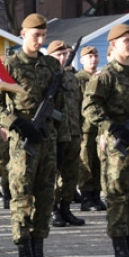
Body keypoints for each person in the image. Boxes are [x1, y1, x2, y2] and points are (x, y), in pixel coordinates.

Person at [0, 13, 63, 257]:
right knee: (21, 197)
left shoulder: (52, 65)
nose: (40, 40)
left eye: (43, 36)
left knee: (45, 196)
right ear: (23, 35)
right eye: (35, 36)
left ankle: (39, 252)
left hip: (47, 139)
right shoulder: (9, 65)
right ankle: (24, 256)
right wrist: (15, 122)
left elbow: (61, 103)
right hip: (23, 141)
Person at [83, 24, 129, 257]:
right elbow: (90, 107)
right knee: (117, 196)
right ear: (113, 45)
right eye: (125, 40)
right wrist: (110, 127)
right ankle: (120, 246)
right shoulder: (105, 75)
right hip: (118, 147)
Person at [48, 40, 86, 228]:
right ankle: (53, 209)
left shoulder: (72, 78)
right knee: (53, 173)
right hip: (55, 133)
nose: (63, 57)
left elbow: (78, 105)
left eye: (65, 54)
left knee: (71, 173)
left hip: (72, 132)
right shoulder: (48, 76)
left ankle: (66, 207)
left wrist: (79, 129)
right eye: (58, 54)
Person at [77, 46, 107, 212]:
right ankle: (86, 197)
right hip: (85, 129)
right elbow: (75, 105)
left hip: (100, 128)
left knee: (98, 163)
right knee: (86, 163)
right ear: (82, 60)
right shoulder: (78, 79)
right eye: (89, 56)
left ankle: (96, 194)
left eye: (95, 56)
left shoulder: (101, 77)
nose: (93, 59)